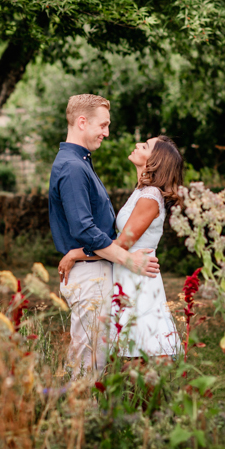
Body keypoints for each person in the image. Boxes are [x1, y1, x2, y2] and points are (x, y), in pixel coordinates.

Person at [49, 94, 160, 373]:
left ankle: (88, 413)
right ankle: (80, 416)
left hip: (95, 270)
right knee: (88, 363)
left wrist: (78, 254)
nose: (106, 133)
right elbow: (84, 229)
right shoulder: (73, 167)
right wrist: (126, 258)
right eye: (103, 125)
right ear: (82, 122)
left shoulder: (81, 162)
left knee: (95, 361)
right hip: (90, 278)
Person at [58, 135, 183, 360]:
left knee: (140, 356)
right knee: (128, 356)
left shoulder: (151, 197)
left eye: (144, 146)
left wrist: (75, 254)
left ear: (155, 161)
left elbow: (120, 245)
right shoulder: (141, 192)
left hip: (138, 278)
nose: (137, 145)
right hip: (126, 273)